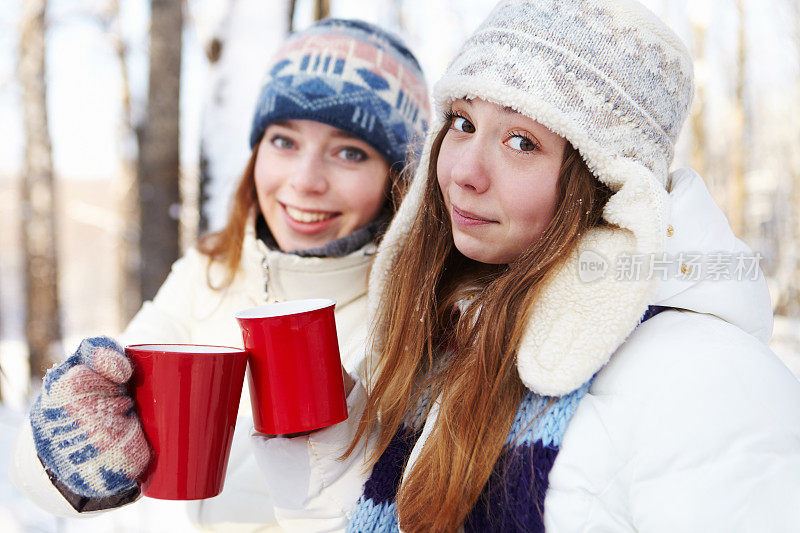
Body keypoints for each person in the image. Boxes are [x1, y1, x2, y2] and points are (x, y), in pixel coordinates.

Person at [248, 1, 800, 531]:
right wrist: (326, 441)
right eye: (462, 122)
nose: (465, 170)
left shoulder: (708, 378)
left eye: (521, 141)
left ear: (609, 183)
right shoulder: (463, 332)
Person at [10, 18, 430, 531]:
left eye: (350, 152)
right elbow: (61, 489)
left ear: (400, 181)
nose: (305, 181)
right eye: (284, 141)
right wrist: (65, 455)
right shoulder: (208, 272)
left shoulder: (421, 318)